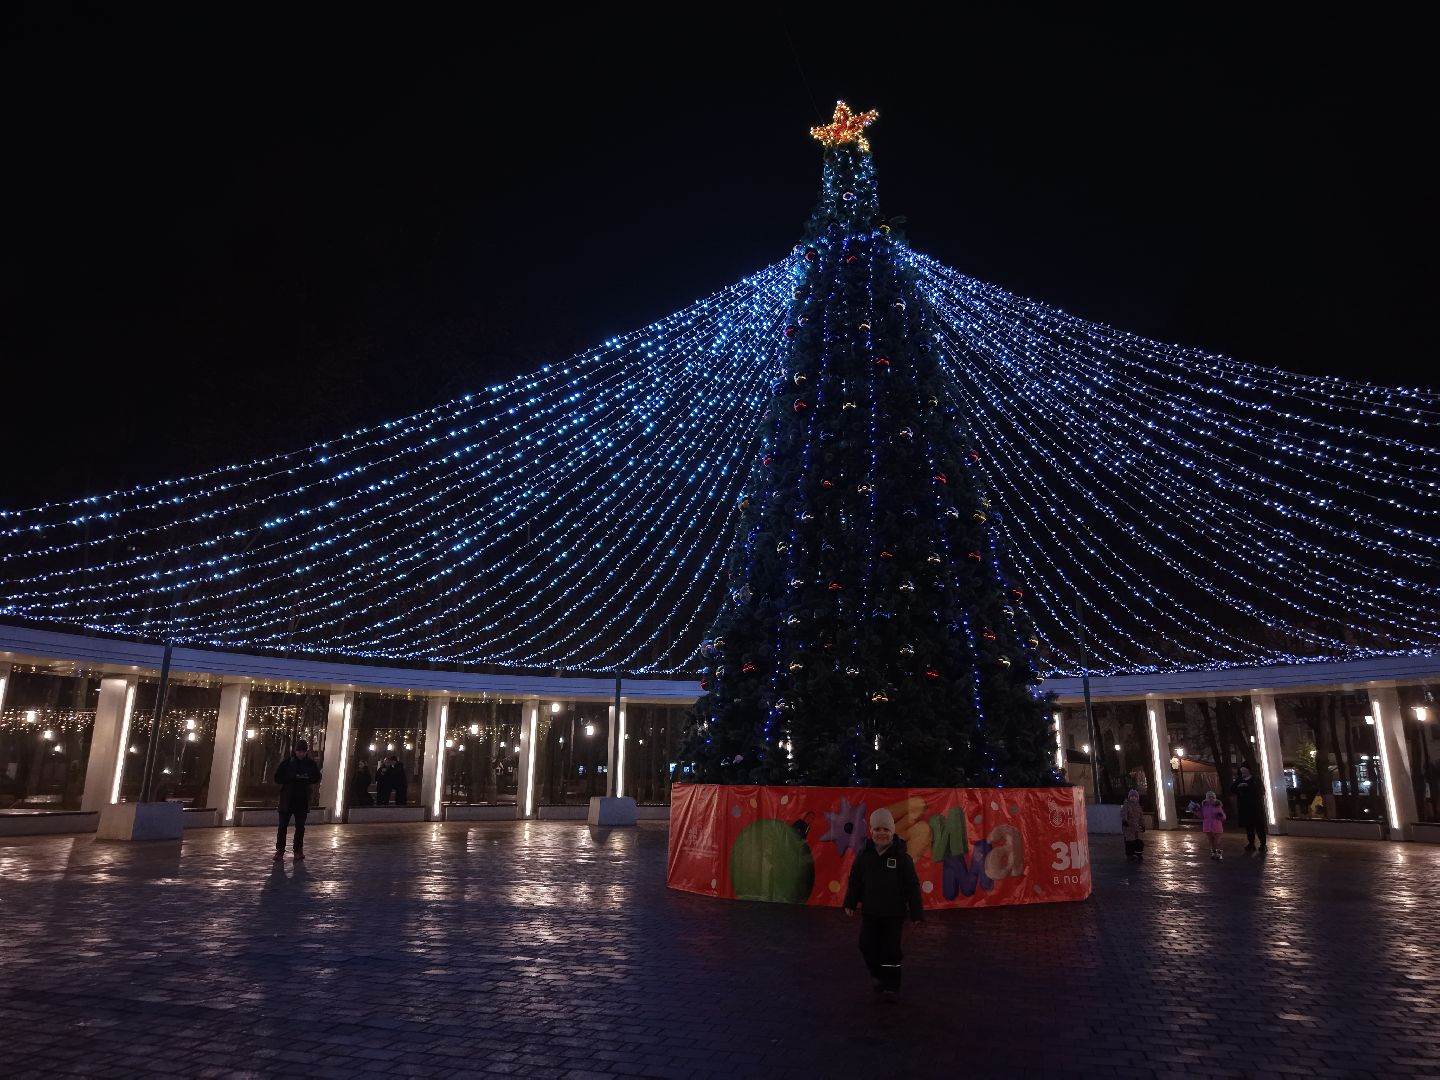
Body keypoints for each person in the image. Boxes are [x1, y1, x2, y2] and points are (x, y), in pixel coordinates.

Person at [843, 807, 924, 1002]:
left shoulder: (902, 858)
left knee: (891, 951)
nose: (881, 833)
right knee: (865, 945)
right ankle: (877, 974)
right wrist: (850, 902)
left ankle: (892, 985)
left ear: (892, 831)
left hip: (894, 914)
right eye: (877, 829)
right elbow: (855, 880)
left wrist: (916, 912)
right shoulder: (865, 856)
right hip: (871, 912)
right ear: (872, 831)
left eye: (885, 829)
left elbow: (912, 886)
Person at [273, 739, 321, 861]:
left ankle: (298, 850)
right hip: (287, 799)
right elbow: (277, 777)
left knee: (300, 826)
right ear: (295, 751)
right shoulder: (287, 763)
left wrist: (307, 779)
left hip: (302, 799)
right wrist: (291, 778)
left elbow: (316, 777)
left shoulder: (310, 764)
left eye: (303, 751)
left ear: (306, 752)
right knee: (282, 826)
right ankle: (280, 850)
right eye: (299, 751)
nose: (301, 754)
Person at [1233, 764, 1267, 851]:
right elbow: (1232, 789)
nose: (1243, 772)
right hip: (1245, 807)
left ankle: (1263, 844)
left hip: (1256, 806)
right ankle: (1251, 843)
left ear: (1249, 770)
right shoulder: (1239, 780)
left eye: (1245, 770)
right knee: (1249, 827)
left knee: (1259, 826)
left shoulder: (1256, 779)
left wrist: (1249, 787)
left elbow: (1261, 790)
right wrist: (1238, 787)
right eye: (1242, 771)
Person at [1189, 790, 1227, 860]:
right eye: (1209, 797)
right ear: (1206, 798)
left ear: (1215, 798)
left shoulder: (1218, 806)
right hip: (1207, 827)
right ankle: (1213, 853)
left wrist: (1221, 816)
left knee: (1217, 841)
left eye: (1212, 797)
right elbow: (1202, 816)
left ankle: (1219, 853)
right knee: (1211, 841)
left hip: (1217, 827)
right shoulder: (1204, 807)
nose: (1211, 799)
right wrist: (1196, 811)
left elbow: (1223, 817)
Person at [1120, 788, 1146, 862]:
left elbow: (1141, 818)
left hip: (1137, 828)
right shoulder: (1126, 805)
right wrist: (1125, 821)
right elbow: (1123, 813)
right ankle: (1130, 855)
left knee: (1138, 841)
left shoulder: (1138, 807)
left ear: (1137, 798)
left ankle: (1138, 853)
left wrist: (1143, 826)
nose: (1133, 798)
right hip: (1128, 828)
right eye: (1132, 796)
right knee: (1130, 842)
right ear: (1129, 797)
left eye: (1135, 797)